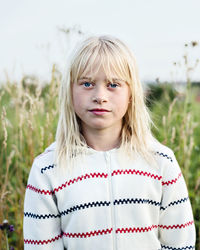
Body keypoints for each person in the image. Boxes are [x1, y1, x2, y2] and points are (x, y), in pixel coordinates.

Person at [23, 35, 196, 249]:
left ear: (131, 93)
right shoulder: (47, 169)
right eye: (87, 83)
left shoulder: (160, 162)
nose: (100, 96)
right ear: (70, 91)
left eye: (113, 84)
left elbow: (180, 244)